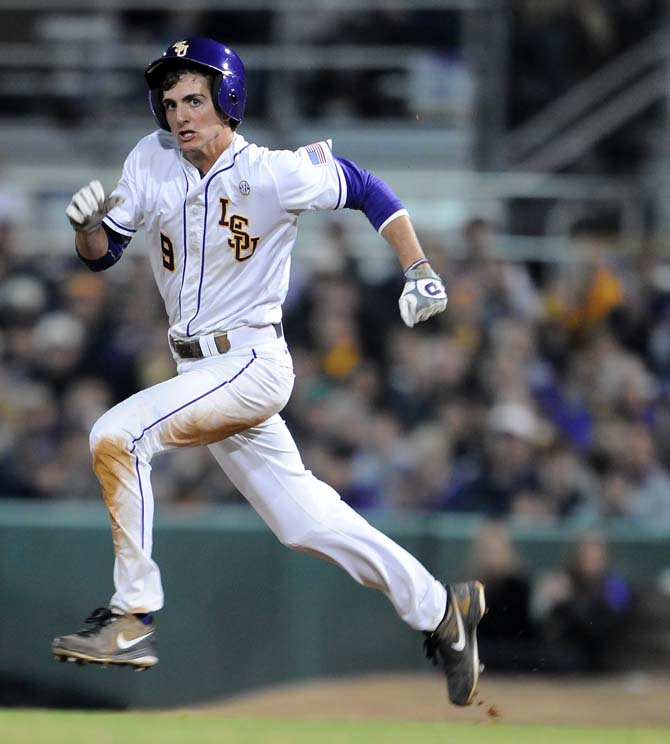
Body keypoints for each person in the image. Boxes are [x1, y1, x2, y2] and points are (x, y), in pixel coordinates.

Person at [51, 38, 485, 706]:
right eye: (170, 102)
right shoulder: (150, 157)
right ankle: (441, 612)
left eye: (195, 98)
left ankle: (132, 617)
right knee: (304, 522)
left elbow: (367, 188)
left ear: (227, 99)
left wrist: (419, 266)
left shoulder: (275, 171)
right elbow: (104, 254)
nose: (180, 115)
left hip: (250, 360)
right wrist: (85, 229)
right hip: (198, 370)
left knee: (116, 436)